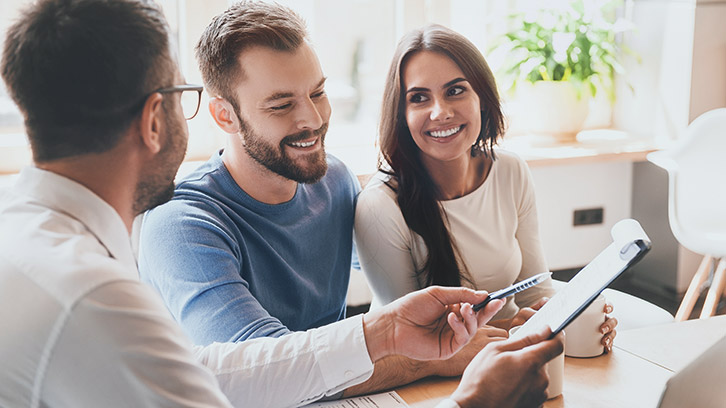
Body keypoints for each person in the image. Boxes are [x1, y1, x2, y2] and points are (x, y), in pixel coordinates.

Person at [0, 1, 565, 407]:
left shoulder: (33, 248)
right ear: (157, 117)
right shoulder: (100, 294)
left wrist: (386, 332)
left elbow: (225, 371)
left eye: (318, 92)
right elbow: (250, 369)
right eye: (183, 97)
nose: (313, 119)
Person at [136, 1, 510, 397]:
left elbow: (396, 263)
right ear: (224, 115)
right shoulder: (181, 226)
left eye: (317, 92)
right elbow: (265, 373)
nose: (312, 119)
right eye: (281, 105)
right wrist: (431, 357)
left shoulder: (333, 180)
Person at [354, 24, 617, 350]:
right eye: (419, 98)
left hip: (508, 353)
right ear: (401, 114)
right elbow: (413, 341)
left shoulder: (510, 171)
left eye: (455, 91)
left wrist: (574, 317)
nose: (441, 112)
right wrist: (514, 329)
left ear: (482, 97)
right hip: (422, 374)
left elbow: (535, 291)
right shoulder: (379, 206)